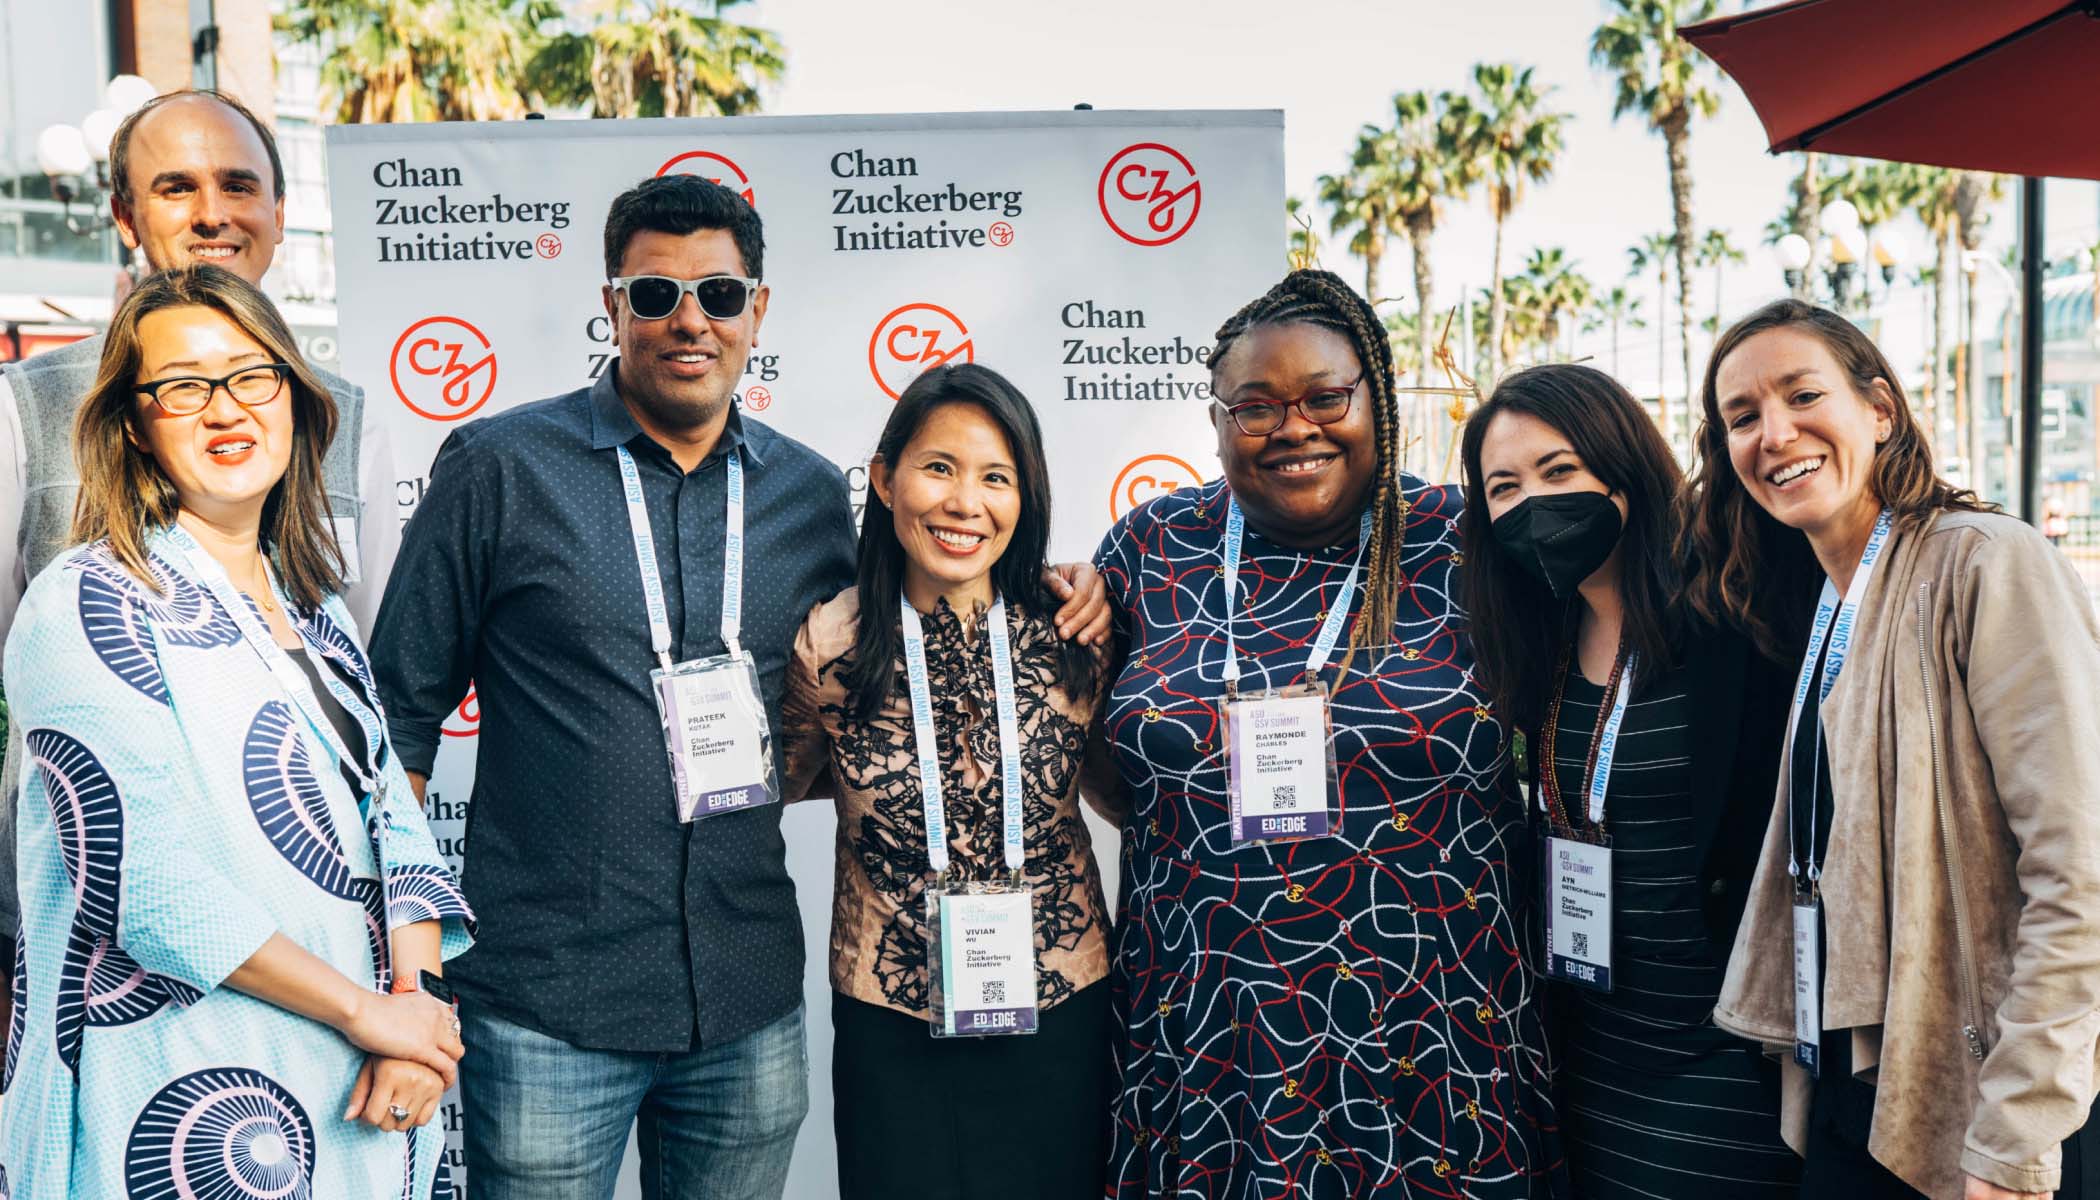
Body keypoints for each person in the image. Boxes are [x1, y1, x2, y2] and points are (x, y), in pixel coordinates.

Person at [369, 174, 1109, 1199]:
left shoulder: (810, 494)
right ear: (612, 302)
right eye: (654, 293)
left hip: (744, 1002)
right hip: (547, 1001)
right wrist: (401, 970)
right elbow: (395, 722)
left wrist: (1069, 587)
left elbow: (926, 612)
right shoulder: (500, 469)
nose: (689, 321)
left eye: (718, 295)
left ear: (756, 310)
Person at [0, 266, 471, 1196]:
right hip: (185, 1103)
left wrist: (415, 1021)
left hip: (362, 1097)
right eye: (182, 386)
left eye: (252, 376)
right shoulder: (86, 601)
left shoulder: (318, 608)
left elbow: (398, 826)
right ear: (134, 424)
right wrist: (368, 1014)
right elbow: (144, 879)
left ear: (295, 399)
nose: (225, 409)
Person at [1092, 269, 1559, 1198]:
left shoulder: (1464, 541)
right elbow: (1106, 754)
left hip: (1434, 1024)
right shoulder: (1151, 546)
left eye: (1325, 398)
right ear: (1218, 420)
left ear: (1375, 400)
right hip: (1210, 1027)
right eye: (1256, 406)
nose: (1294, 427)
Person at [0, 86, 401, 1029]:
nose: (213, 212)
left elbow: (366, 703)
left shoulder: (348, 417)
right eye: (176, 187)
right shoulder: (23, 409)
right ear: (124, 214)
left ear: (278, 212)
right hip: (101, 953)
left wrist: (396, 995)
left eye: (238, 184)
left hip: (318, 941)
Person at [1691, 300, 2100, 1200]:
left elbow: (2080, 871)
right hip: (1866, 1084)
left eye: (1803, 395)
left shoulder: (1986, 564)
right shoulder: (1824, 596)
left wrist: (2014, 1132)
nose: (1775, 434)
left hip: (1985, 1104)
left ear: (1880, 410)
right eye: (1742, 417)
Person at [1457, 363, 1799, 1198]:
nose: (1532, 503)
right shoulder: (1533, 646)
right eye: (1503, 486)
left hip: (1729, 1060)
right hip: (1589, 1060)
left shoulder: (1737, 619)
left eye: (1560, 471)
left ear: (1626, 465)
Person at [781, 362, 1117, 1199]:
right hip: (889, 1011)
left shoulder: (1075, 630)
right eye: (940, 468)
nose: (966, 503)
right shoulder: (829, 646)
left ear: (1024, 497)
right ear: (887, 481)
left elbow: (1124, 790)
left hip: (1061, 998)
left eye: (996, 478)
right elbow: (786, 780)